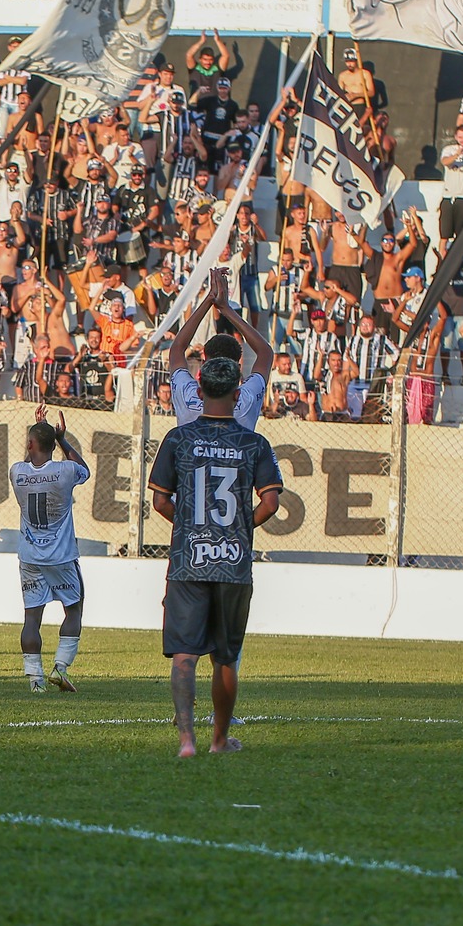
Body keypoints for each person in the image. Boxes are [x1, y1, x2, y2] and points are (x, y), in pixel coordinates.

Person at [148, 356, 282, 759]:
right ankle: (219, 740)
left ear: (199, 391)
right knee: (225, 656)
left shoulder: (178, 438)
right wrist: (238, 529)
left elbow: (159, 500)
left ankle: (187, 741)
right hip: (233, 560)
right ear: (238, 395)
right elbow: (271, 503)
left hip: (189, 557)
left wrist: (190, 526)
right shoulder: (254, 443)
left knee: (185, 654)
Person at [13, 406, 89, 693]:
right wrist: (62, 440)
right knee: (74, 609)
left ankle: (35, 681)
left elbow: (28, 464)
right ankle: (60, 667)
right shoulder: (65, 471)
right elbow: (85, 470)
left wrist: (39, 432)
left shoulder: (17, 472)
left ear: (30, 444)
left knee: (32, 617)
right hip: (62, 556)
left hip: (30, 556)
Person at [167, 273, 271, 425]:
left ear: (203, 366)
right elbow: (265, 352)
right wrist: (226, 309)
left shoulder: (188, 395)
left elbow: (177, 348)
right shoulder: (246, 399)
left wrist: (209, 299)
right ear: (238, 367)